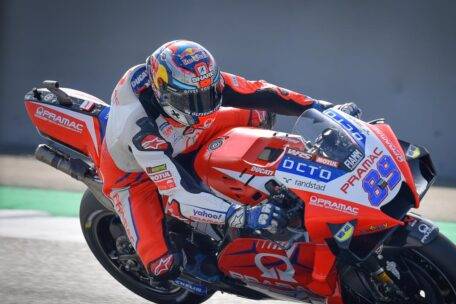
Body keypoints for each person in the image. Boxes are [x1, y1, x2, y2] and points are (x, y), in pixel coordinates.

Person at [99, 40, 361, 283]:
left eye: (210, 94)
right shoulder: (138, 127)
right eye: (194, 100)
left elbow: (261, 91)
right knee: (163, 266)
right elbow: (179, 194)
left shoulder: (194, 83)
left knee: (260, 113)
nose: (206, 105)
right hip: (136, 175)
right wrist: (244, 216)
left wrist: (324, 109)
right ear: (164, 94)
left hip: (188, 133)